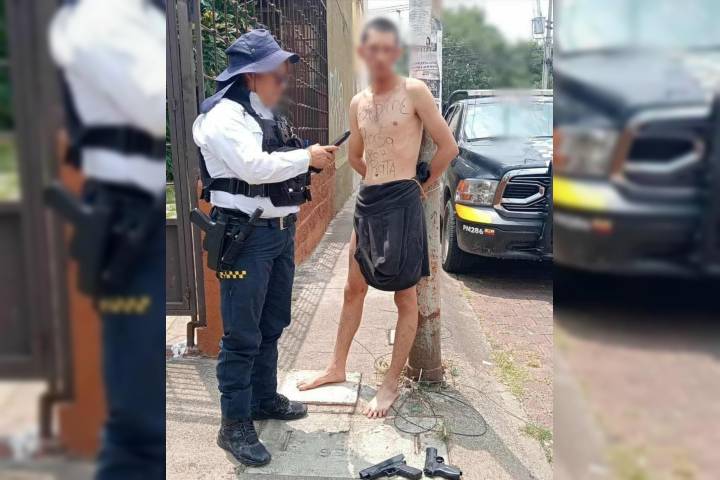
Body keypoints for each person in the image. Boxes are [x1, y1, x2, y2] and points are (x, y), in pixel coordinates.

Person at [298, 18, 459, 418]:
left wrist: (422, 184)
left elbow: (448, 146)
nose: (381, 56)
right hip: (369, 202)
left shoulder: (414, 91)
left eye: (388, 49)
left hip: (403, 201)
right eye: (374, 49)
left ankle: (390, 384)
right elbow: (355, 155)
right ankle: (336, 367)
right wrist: (374, 178)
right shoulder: (358, 102)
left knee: (405, 296)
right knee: (353, 288)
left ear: (397, 53)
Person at [192, 29, 338, 466]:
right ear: (251, 75)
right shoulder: (222, 117)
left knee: (272, 322)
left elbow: (278, 161)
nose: (283, 81)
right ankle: (234, 424)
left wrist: (308, 158)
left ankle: (262, 398)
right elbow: (253, 168)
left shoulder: (264, 113)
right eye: (277, 74)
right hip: (245, 237)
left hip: (278, 233)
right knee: (241, 334)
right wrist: (306, 157)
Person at [48, 0, 166, 478]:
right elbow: (152, 104)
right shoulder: (95, 17)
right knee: (140, 420)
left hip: (140, 220)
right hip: (126, 224)